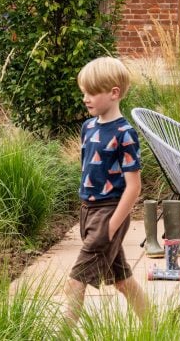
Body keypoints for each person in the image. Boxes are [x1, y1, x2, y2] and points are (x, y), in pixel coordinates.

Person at [64, 56, 147, 324]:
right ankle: (155, 327)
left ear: (114, 93)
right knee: (123, 281)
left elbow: (134, 187)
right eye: (83, 93)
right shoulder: (87, 127)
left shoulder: (125, 133)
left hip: (108, 213)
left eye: (92, 92)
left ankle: (62, 334)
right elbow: (88, 170)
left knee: (75, 282)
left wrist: (111, 226)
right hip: (87, 211)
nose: (85, 98)